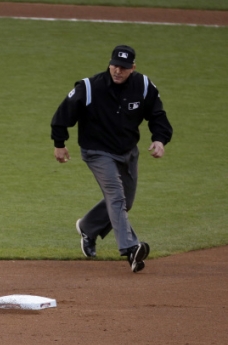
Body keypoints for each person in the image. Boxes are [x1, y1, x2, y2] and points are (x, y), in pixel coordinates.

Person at [50, 45, 173, 273]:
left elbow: (157, 114)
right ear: (109, 64)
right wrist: (59, 143)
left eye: (124, 67)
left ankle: (88, 227)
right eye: (115, 65)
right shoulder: (89, 87)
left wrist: (159, 139)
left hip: (127, 151)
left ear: (133, 68)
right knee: (116, 196)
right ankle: (130, 248)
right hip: (96, 151)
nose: (118, 71)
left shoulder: (143, 86)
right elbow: (62, 114)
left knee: (126, 201)